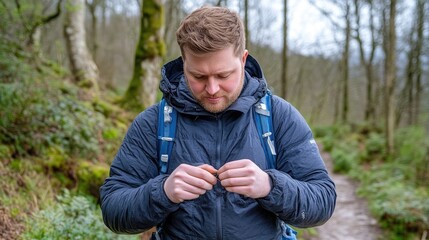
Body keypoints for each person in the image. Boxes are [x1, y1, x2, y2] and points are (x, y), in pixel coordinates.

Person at [100, 6, 336, 240]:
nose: (212, 89)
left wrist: (270, 186)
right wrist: (162, 192)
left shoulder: (278, 117)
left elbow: (323, 200)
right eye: (199, 76)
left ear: (243, 59)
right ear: (183, 63)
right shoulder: (154, 123)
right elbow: (113, 209)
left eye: (224, 76)